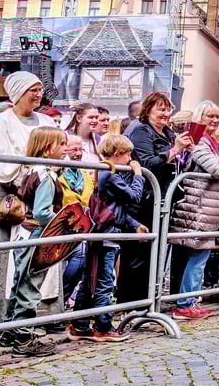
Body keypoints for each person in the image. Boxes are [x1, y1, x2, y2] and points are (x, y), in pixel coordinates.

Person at [0, 72, 57, 326]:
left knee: (39, 251)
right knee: (0, 251)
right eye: (33, 89)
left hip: (38, 192)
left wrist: (40, 180)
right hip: (4, 192)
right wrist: (24, 176)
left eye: (40, 89)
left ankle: (37, 312)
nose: (38, 94)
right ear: (19, 92)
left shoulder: (45, 121)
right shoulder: (0, 122)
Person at [168, 101, 219, 320]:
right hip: (198, 207)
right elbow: (217, 170)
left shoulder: (211, 143)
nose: (214, 120)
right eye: (209, 116)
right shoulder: (201, 143)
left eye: (217, 116)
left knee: (199, 256)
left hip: (207, 207)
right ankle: (185, 303)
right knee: (198, 256)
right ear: (199, 117)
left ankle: (189, 301)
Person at [67, 134, 145, 343]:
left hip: (104, 231)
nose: (130, 158)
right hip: (107, 234)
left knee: (90, 280)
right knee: (103, 280)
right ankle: (103, 326)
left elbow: (113, 207)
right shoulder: (109, 174)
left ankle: (80, 324)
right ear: (119, 153)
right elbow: (133, 196)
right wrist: (138, 175)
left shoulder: (103, 171)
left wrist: (134, 224)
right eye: (128, 153)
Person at [0, 127, 68, 356]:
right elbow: (41, 213)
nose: (66, 149)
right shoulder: (47, 176)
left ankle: (9, 332)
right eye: (62, 145)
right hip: (38, 233)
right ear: (49, 149)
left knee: (20, 282)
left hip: (25, 232)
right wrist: (62, 220)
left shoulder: (32, 171)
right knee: (30, 286)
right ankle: (24, 338)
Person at [125, 93, 193, 305]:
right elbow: (146, 164)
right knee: (140, 253)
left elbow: (176, 164)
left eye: (167, 109)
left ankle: (150, 300)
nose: (165, 114)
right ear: (148, 110)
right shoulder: (140, 130)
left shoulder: (168, 132)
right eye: (160, 109)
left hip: (163, 199)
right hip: (143, 200)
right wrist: (175, 150)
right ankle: (132, 302)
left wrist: (186, 153)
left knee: (156, 253)